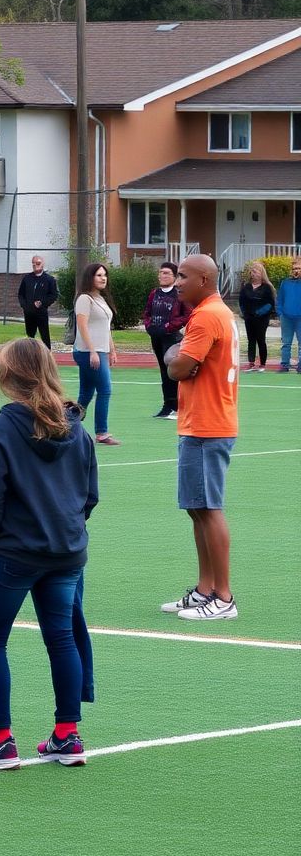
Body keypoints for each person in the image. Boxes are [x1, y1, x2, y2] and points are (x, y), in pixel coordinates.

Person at [0, 338, 97, 769]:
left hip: (15, 553)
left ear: (6, 377)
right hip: (66, 552)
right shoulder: (78, 429)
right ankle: (67, 735)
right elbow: (89, 497)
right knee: (62, 637)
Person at [163, 254, 239, 621]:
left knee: (208, 508)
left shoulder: (208, 315)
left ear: (204, 280)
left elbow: (178, 367)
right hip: (200, 423)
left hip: (208, 424)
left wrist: (173, 355)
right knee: (197, 508)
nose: (177, 281)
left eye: (183, 275)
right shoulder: (215, 312)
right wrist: (179, 357)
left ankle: (223, 597)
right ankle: (205, 590)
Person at [72, 262, 120, 446]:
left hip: (100, 351)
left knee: (86, 392)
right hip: (88, 351)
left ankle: (67, 424)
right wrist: (93, 351)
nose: (103, 278)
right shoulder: (85, 299)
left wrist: (112, 349)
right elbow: (82, 326)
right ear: (90, 277)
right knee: (105, 390)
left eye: (104, 275)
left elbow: (105, 328)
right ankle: (102, 432)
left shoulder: (100, 298)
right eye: (99, 275)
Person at [143, 261, 191, 417]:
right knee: (164, 373)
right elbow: (147, 313)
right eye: (160, 272)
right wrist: (149, 327)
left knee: (173, 372)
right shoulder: (154, 293)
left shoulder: (179, 293)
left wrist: (169, 327)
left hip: (171, 338)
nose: (162, 276)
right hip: (156, 338)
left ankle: (179, 406)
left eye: (166, 273)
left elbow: (187, 315)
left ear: (174, 276)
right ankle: (167, 405)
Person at [238, 261, 276, 373]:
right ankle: (251, 363)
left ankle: (262, 364)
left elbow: (270, 304)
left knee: (261, 340)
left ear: (261, 273)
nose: (253, 274)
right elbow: (241, 302)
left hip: (262, 319)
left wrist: (259, 312)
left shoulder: (267, 288)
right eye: (252, 272)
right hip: (249, 318)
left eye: (256, 271)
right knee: (251, 340)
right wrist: (245, 313)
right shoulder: (246, 287)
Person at [17, 255, 59, 349]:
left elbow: (53, 295)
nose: (36, 265)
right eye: (33, 264)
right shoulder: (27, 278)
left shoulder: (49, 280)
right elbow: (21, 294)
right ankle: (31, 356)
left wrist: (42, 303)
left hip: (41, 313)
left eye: (38, 263)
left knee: (44, 335)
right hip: (29, 313)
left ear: (43, 264)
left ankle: (48, 356)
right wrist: (25, 306)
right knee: (30, 337)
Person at [276, 257, 301, 372]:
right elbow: (279, 299)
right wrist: (280, 313)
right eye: (294, 268)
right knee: (286, 343)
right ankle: (285, 365)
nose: (296, 271)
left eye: (299, 268)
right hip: (286, 318)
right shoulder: (285, 283)